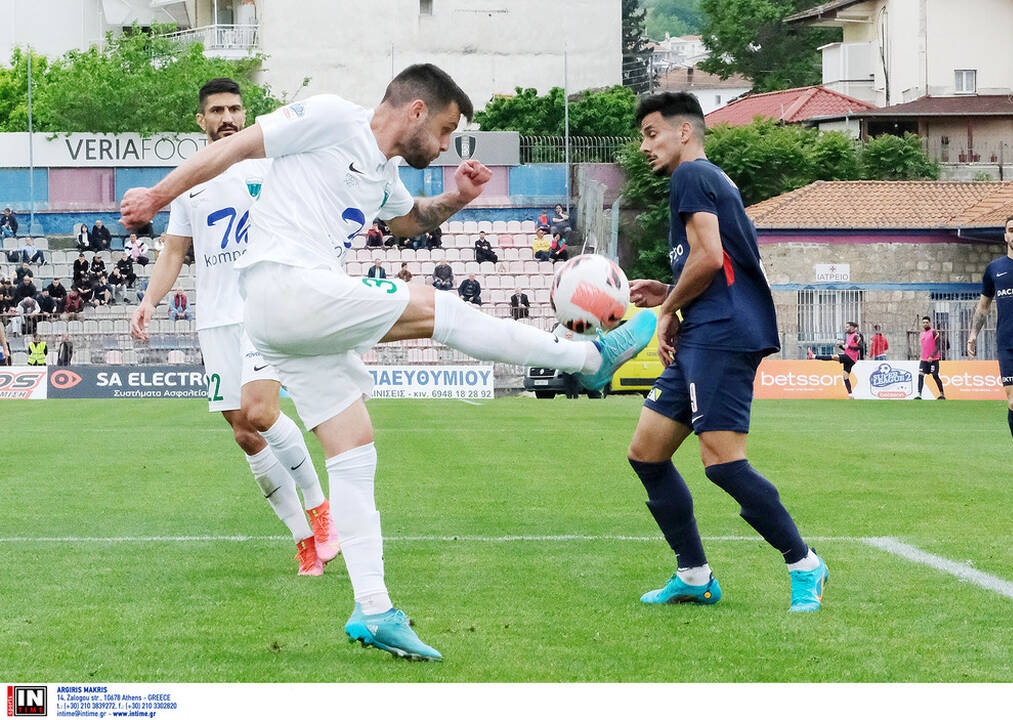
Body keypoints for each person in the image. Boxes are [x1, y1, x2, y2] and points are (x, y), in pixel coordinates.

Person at [119, 63, 655, 662]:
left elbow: (408, 222)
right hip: (283, 288)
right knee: (436, 307)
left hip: (295, 317)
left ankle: (373, 609)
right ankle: (584, 357)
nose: (449, 145)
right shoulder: (330, 117)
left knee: (353, 449)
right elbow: (237, 148)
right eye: (449, 130)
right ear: (417, 111)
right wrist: (157, 195)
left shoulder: (382, 172)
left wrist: (457, 197)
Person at [626, 91, 827, 614]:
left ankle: (804, 563)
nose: (644, 146)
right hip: (706, 329)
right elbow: (707, 260)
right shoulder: (708, 180)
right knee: (647, 453)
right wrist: (669, 293)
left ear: (684, 131)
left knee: (722, 462)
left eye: (652, 134)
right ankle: (693, 576)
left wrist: (667, 310)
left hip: (723, 332)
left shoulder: (691, 175)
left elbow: (711, 258)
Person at [130, 77, 339, 578]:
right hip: (215, 318)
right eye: (218, 110)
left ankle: (321, 510)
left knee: (262, 412)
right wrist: (149, 300)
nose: (228, 117)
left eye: (236, 109)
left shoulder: (271, 166)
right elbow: (175, 249)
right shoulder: (188, 180)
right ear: (200, 120)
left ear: (246, 115)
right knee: (245, 434)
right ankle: (304, 540)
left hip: (263, 308)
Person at [970, 215, 1013, 476]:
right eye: (1011, 230)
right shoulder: (994, 269)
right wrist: (972, 334)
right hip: (1008, 345)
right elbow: (983, 306)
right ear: (1004, 236)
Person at [806, 321, 863, 398]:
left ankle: (813, 356)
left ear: (852, 328)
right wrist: (840, 346)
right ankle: (850, 394)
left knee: (833, 357)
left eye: (847, 327)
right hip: (851, 358)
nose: (846, 328)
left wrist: (848, 347)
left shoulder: (856, 336)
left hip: (850, 357)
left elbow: (861, 346)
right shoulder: (850, 337)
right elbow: (847, 349)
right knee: (845, 376)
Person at [916, 315, 945, 400]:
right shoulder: (922, 334)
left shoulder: (934, 332)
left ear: (930, 323)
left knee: (935, 376)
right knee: (920, 375)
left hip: (933, 359)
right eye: (924, 323)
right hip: (924, 359)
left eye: (927, 322)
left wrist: (932, 356)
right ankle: (919, 394)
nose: (925, 324)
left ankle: (942, 394)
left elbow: (937, 346)